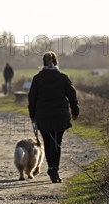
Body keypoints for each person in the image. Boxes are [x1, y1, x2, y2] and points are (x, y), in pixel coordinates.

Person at [27, 51, 79, 183]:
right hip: (60, 115)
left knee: (48, 142)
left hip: (43, 115)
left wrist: (32, 115)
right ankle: (54, 169)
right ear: (56, 62)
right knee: (57, 142)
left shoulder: (37, 79)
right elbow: (72, 96)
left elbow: (32, 98)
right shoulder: (63, 77)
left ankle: (51, 167)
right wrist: (75, 111)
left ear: (43, 63)